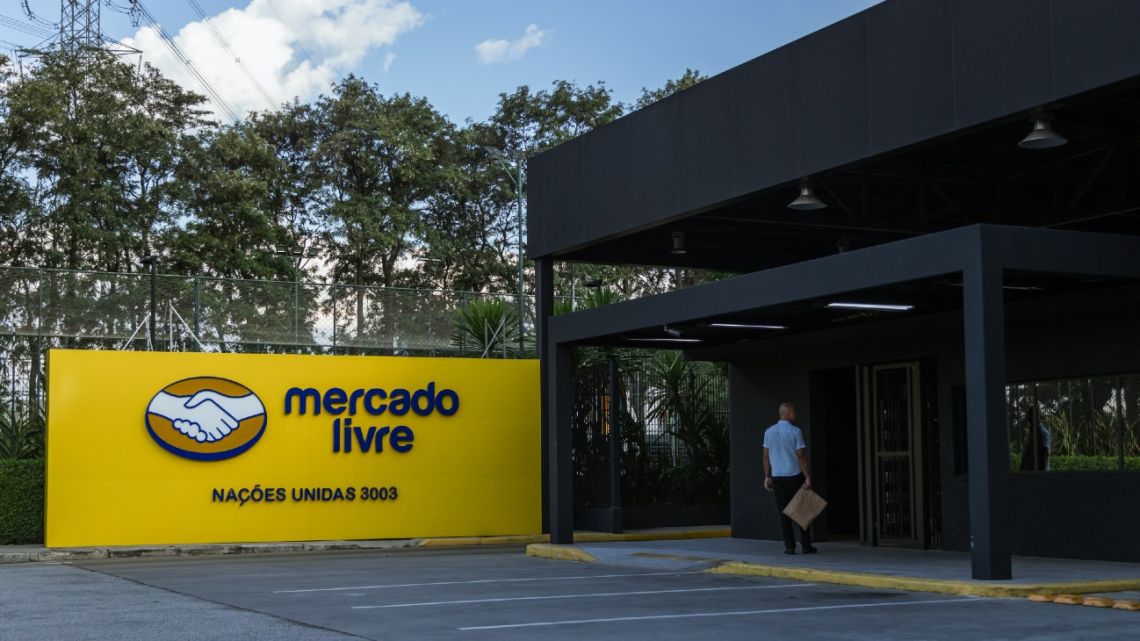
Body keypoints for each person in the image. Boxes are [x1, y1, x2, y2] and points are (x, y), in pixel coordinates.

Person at [763, 402, 817, 554]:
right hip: (794, 476)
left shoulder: (769, 432)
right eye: (794, 412)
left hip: (777, 477)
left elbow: (765, 457)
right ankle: (806, 546)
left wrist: (767, 476)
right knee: (803, 511)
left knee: (783, 513)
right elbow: (800, 455)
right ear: (786, 414)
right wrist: (807, 477)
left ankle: (789, 546)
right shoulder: (795, 431)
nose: (796, 415)